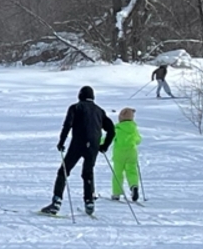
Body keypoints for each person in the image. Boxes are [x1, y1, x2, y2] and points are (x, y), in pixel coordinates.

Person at [40, 85, 114, 217]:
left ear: (80, 95)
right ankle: (89, 201)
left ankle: (56, 201)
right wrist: (104, 146)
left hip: (77, 143)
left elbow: (67, 125)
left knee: (63, 171)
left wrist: (61, 142)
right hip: (93, 145)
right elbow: (111, 130)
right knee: (88, 173)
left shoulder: (75, 107)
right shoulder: (99, 111)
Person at [110, 107, 141, 202]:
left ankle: (116, 193)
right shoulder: (134, 129)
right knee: (132, 171)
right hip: (132, 152)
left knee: (118, 173)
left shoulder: (118, 129)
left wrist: (99, 143)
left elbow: (109, 138)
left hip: (119, 154)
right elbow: (138, 140)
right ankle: (134, 186)